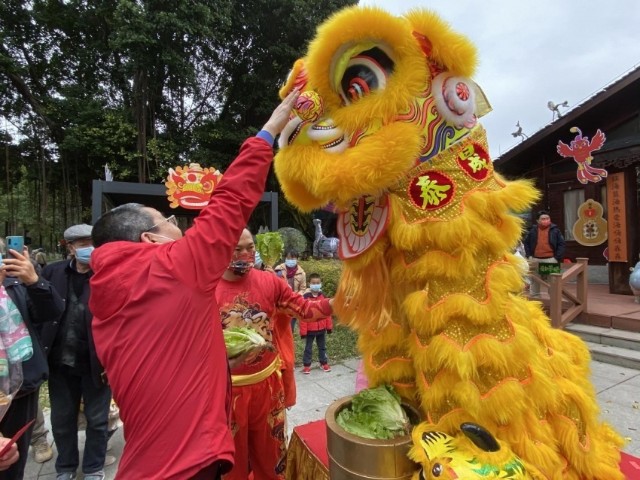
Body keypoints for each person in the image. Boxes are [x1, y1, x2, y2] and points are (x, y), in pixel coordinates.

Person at [87, 90, 299, 480]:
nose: (176, 225)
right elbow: (232, 200)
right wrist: (271, 129)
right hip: (188, 464)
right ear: (150, 239)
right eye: (167, 219)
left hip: (149, 462)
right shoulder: (173, 270)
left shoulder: (106, 291)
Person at [217, 228, 332, 480]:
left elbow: (303, 309)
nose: (246, 254)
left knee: (272, 459)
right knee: (231, 466)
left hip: (268, 388)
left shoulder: (269, 282)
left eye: (250, 248)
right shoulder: (204, 290)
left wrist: (336, 303)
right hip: (225, 392)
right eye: (238, 249)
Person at [35, 224, 112, 480]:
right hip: (60, 361)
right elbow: (39, 311)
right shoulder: (51, 272)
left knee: (98, 419)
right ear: (69, 247)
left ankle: (93, 468)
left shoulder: (110, 274)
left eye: (93, 242)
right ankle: (65, 468)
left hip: (97, 362)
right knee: (62, 419)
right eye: (82, 244)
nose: (89, 249)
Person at [0, 242, 59, 479]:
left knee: (12, 460)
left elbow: (52, 312)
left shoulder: (15, 283)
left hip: (19, 388)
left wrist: (35, 282)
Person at [523, 210, 566, 296]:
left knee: (553, 281)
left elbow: (561, 244)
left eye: (547, 218)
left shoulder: (555, 230)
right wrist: (529, 256)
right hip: (535, 259)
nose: (545, 220)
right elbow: (526, 243)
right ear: (538, 220)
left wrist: (556, 257)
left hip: (550, 259)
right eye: (543, 219)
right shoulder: (533, 230)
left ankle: (554, 299)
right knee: (535, 280)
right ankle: (535, 298)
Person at [300, 273, 333, 374]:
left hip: (321, 329)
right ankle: (306, 365)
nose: (316, 285)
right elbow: (303, 316)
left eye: (318, 283)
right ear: (309, 284)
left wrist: (329, 326)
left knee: (322, 347)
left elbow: (327, 313)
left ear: (320, 284)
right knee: (308, 348)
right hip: (310, 329)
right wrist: (303, 331)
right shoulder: (305, 298)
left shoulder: (323, 296)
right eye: (313, 283)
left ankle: (323, 362)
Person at [274, 249, 306, 332]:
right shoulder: (278, 269)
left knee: (289, 329)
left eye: (293, 259)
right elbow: (274, 284)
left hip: (292, 304)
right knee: (277, 327)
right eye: (289, 258)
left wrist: (296, 296)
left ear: (297, 259)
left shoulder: (302, 273)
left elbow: (303, 289)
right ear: (285, 258)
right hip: (279, 303)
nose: (290, 261)